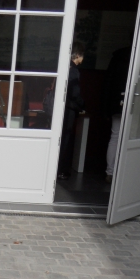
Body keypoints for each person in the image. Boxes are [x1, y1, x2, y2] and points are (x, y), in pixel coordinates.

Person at [103, 46, 131, 183]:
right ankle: (127, 172)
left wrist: (106, 108)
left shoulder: (117, 58)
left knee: (114, 137)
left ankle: (110, 172)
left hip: (116, 103)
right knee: (132, 138)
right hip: (135, 102)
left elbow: (108, 83)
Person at [57, 42, 85, 181]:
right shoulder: (73, 70)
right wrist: (82, 105)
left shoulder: (63, 67)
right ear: (78, 55)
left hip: (60, 107)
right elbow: (74, 93)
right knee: (65, 139)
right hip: (69, 109)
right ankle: (61, 170)